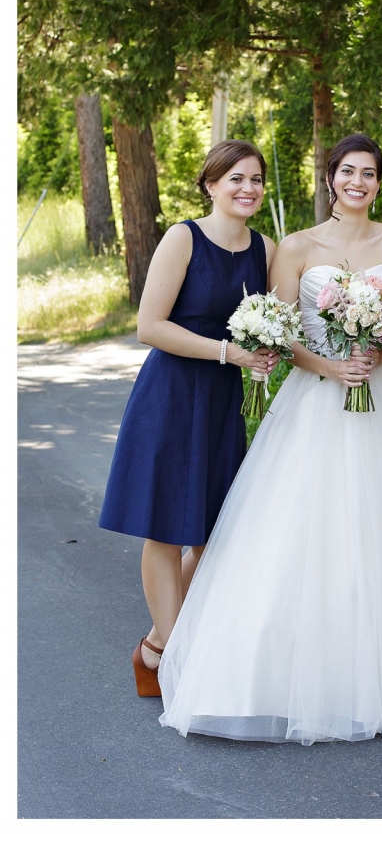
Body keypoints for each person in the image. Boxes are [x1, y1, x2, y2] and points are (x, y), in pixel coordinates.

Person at [158, 133, 382, 744]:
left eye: (369, 173)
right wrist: (331, 366)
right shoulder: (293, 247)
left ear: (378, 181)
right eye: (348, 171)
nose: (358, 182)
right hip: (315, 399)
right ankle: (275, 675)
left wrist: (378, 348)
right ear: (330, 178)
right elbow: (284, 334)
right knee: (299, 533)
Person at [99, 140, 277, 697]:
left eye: (255, 180)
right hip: (172, 394)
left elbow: (274, 317)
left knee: (213, 535)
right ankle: (177, 659)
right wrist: (229, 352)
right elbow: (149, 326)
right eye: (235, 179)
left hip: (225, 403)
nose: (246, 189)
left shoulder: (265, 250)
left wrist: (268, 349)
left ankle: (155, 644)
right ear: (210, 185)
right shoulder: (184, 238)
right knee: (167, 531)